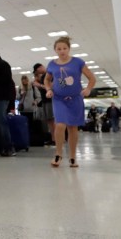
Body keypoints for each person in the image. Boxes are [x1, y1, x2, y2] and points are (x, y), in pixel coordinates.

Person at [44, 36, 95, 167]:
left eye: (64, 48)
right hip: (59, 99)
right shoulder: (52, 64)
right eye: (59, 49)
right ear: (55, 50)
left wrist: (88, 89)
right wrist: (48, 89)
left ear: (69, 49)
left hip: (75, 99)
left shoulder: (78, 62)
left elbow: (91, 78)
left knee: (73, 127)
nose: (62, 51)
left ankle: (72, 157)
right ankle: (58, 154)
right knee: (60, 124)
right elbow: (47, 79)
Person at [34, 63, 55, 145]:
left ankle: (56, 138)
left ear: (40, 67)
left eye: (37, 70)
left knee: (52, 120)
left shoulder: (49, 74)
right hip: (45, 100)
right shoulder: (43, 76)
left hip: (50, 100)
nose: (37, 72)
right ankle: (53, 138)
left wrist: (39, 85)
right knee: (49, 120)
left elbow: (51, 86)